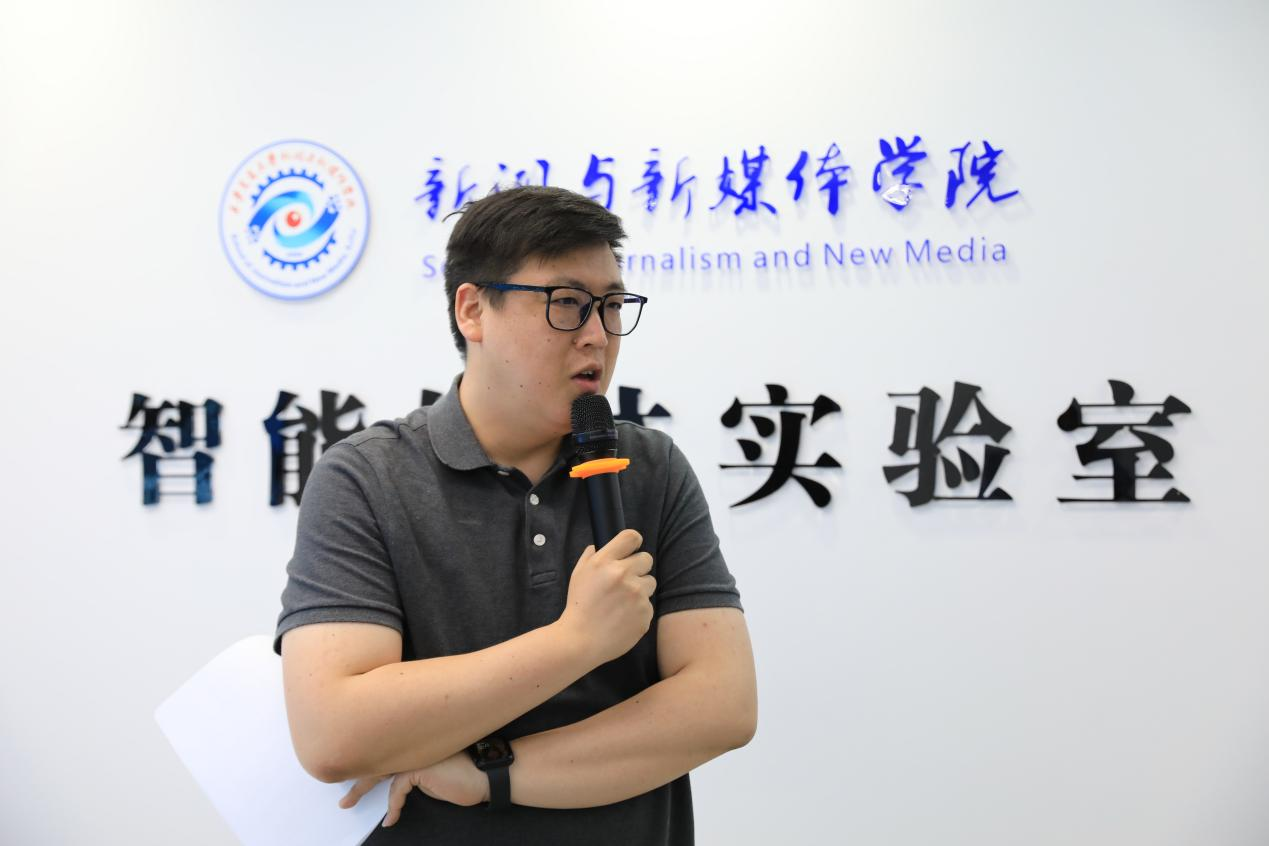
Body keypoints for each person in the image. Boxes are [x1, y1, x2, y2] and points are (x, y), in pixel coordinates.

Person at [273, 185, 757, 845]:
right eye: (566, 304)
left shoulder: (651, 467)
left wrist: (491, 773)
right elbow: (335, 734)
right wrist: (576, 641)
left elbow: (723, 706)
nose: (597, 335)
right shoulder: (367, 477)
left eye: (612, 306)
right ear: (473, 310)